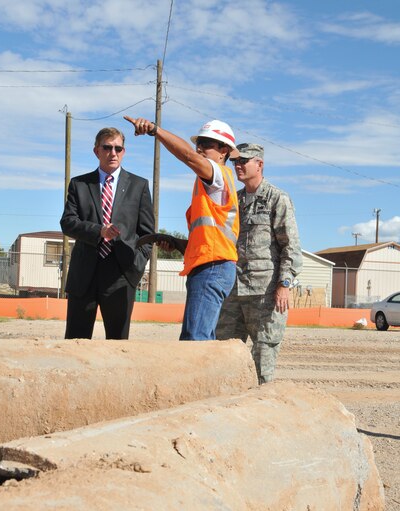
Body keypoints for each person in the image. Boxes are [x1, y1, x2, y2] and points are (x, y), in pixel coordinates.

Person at [124, 116, 240, 341]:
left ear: (224, 150)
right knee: (198, 336)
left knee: (194, 340)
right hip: (210, 265)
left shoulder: (218, 175)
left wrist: (154, 130)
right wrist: (180, 245)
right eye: (199, 143)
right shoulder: (210, 185)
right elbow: (211, 236)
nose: (199, 148)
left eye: (206, 144)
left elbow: (187, 155)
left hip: (213, 267)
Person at [216, 143, 303, 384]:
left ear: (260, 164)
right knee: (223, 355)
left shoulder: (277, 198)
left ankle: (262, 411)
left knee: (263, 358)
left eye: (244, 160)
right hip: (233, 291)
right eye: (235, 161)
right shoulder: (234, 199)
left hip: (265, 294)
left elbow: (291, 247)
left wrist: (284, 284)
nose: (238, 165)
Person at [60, 127, 155, 339]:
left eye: (118, 148)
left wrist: (136, 266)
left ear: (124, 151)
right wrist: (99, 231)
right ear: (97, 151)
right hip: (84, 274)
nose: (113, 153)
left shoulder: (139, 186)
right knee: (77, 342)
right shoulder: (80, 184)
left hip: (121, 275)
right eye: (107, 147)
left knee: (118, 343)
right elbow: (68, 222)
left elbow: (147, 233)